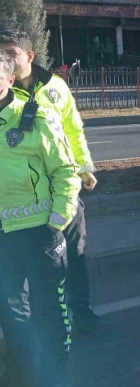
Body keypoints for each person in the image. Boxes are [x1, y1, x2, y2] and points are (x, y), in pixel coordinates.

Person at [0, 29, 98, 332]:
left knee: (75, 256)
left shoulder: (56, 86)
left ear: (29, 56)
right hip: (28, 203)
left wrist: (84, 167)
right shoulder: (5, 91)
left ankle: (81, 314)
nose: (6, 59)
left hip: (63, 188)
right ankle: (37, 332)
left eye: (11, 53)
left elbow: (73, 127)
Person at [0, 49, 81, 387]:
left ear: (10, 79)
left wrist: (58, 221)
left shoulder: (33, 117)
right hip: (2, 237)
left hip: (38, 231)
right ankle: (20, 375)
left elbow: (65, 170)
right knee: (11, 310)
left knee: (50, 305)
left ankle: (57, 369)